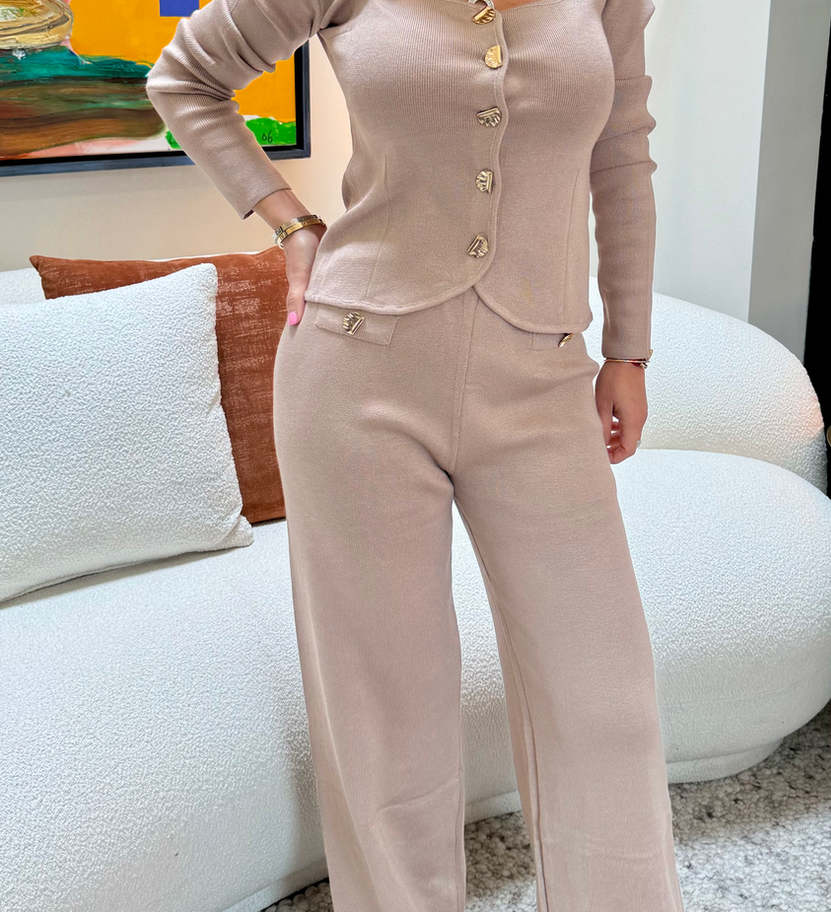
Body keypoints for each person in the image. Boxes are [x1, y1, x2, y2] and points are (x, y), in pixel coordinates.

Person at [146, 0, 686, 910]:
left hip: (544, 376)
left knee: (605, 699)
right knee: (387, 717)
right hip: (356, 373)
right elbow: (186, 79)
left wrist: (628, 349)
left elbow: (621, 150)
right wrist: (291, 225)